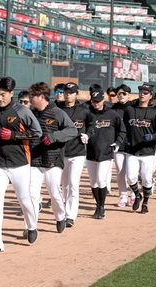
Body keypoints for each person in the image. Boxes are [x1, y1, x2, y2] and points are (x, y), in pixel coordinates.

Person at [0, 77, 42, 253]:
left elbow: (37, 132)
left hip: (20, 163)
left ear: (11, 93)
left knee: (24, 199)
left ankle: (32, 225)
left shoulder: (22, 111)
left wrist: (14, 135)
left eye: (3, 95)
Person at [28, 81, 77, 233]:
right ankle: (31, 226)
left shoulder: (58, 112)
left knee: (54, 193)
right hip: (34, 160)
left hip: (53, 160)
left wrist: (54, 136)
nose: (30, 99)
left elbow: (72, 130)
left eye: (32, 96)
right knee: (31, 194)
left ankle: (60, 217)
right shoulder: (31, 113)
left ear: (41, 97)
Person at [123, 84, 156, 213]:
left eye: (146, 92)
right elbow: (123, 127)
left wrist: (152, 136)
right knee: (130, 177)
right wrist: (123, 138)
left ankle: (145, 202)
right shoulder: (129, 110)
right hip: (132, 150)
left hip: (148, 152)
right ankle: (137, 195)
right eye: (141, 91)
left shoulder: (154, 113)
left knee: (147, 180)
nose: (142, 94)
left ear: (150, 96)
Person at [86, 89, 126, 218]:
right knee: (93, 181)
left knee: (101, 179)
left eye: (98, 101)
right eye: (93, 101)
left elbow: (122, 130)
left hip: (106, 151)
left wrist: (118, 142)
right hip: (91, 151)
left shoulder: (112, 114)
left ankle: (101, 207)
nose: (96, 103)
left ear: (103, 100)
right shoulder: (88, 113)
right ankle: (98, 205)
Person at [59, 82, 94, 227]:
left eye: (71, 92)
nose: (68, 94)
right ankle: (63, 211)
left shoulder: (83, 110)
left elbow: (93, 124)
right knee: (63, 185)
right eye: (66, 92)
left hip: (78, 152)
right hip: (61, 152)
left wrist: (88, 134)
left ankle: (71, 215)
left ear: (76, 94)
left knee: (73, 184)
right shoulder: (58, 109)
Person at [111, 84, 134, 207]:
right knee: (120, 173)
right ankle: (123, 197)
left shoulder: (133, 109)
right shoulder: (113, 109)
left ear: (129, 95)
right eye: (119, 94)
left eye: (124, 93)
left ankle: (134, 195)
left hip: (132, 145)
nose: (121, 96)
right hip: (119, 145)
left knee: (132, 173)